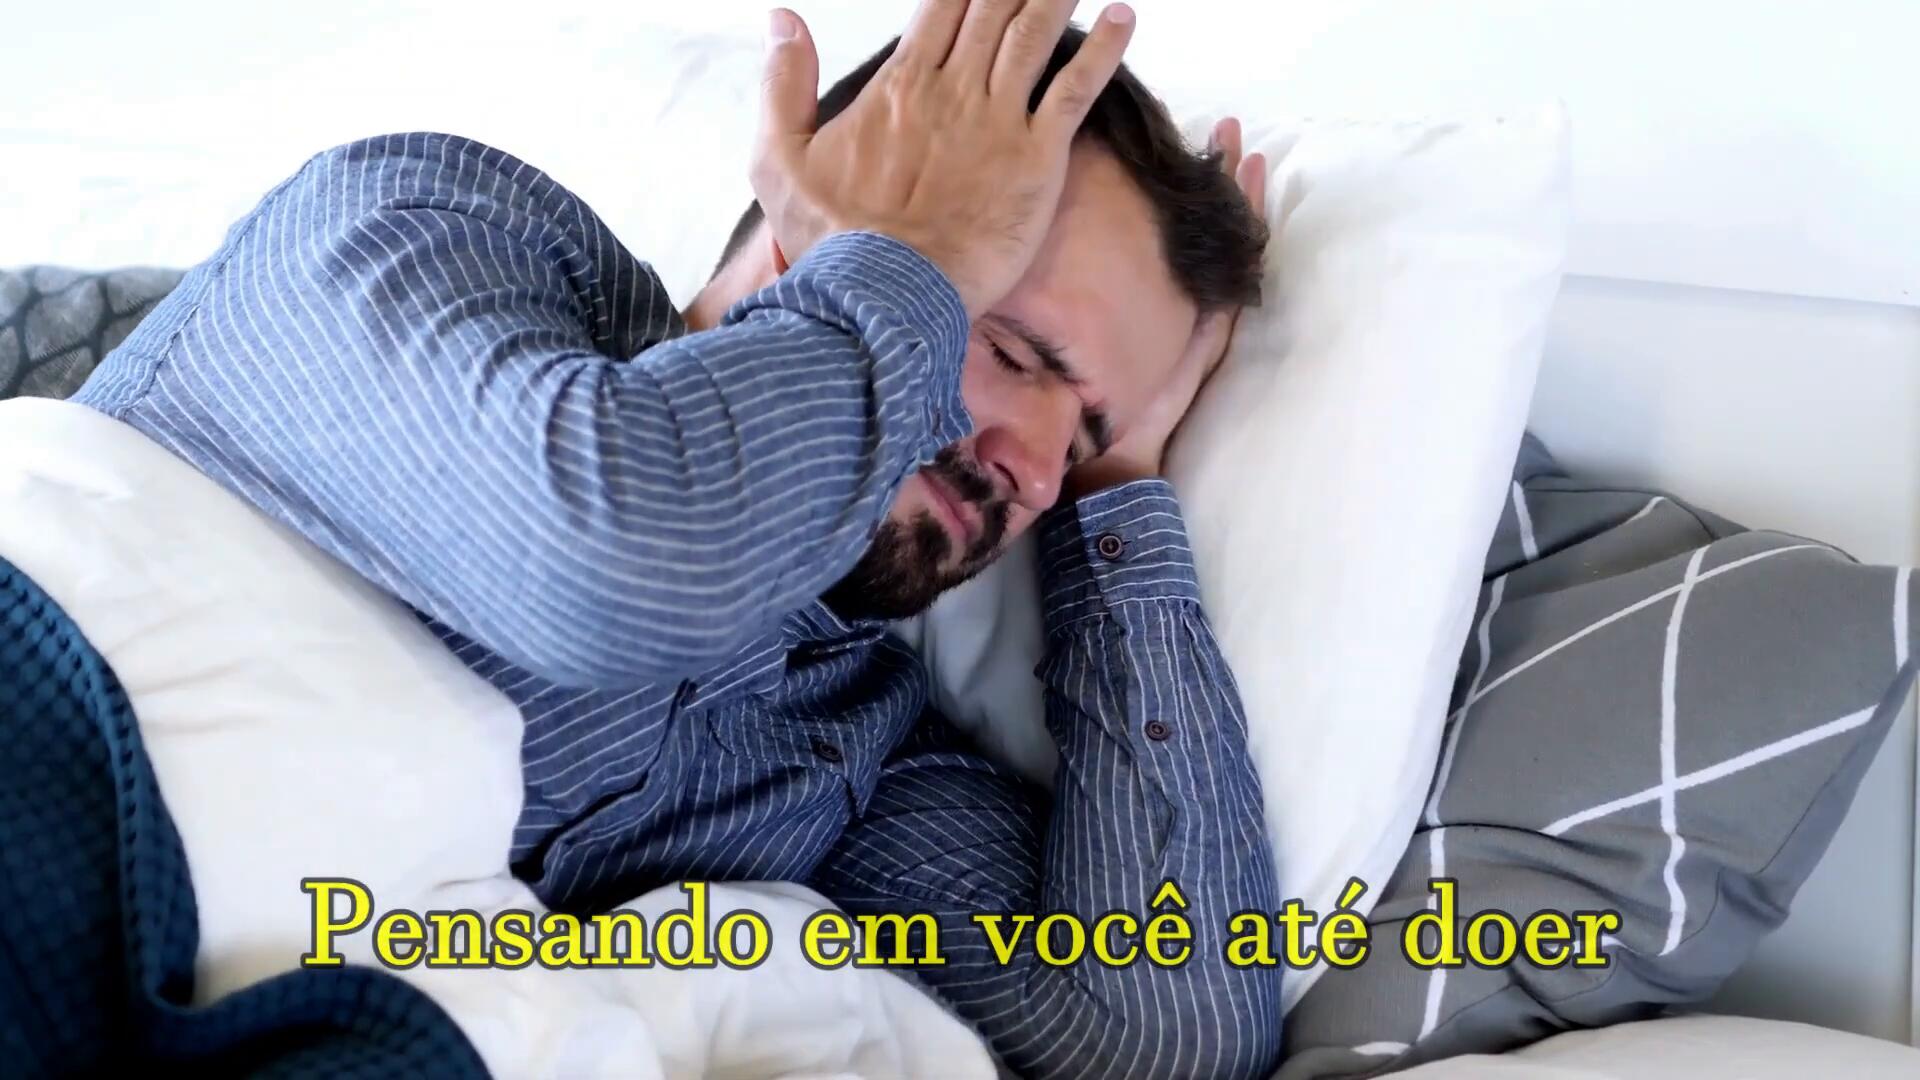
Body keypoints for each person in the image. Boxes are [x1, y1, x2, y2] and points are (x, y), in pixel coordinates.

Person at [70, 1, 1282, 1075]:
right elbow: (618, 566)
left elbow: (1158, 1030)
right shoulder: (432, 225)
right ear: (856, 204)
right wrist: (900, 273)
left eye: (1078, 439)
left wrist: (1120, 497)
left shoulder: (842, 743)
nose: (1033, 466)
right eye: (1015, 351)